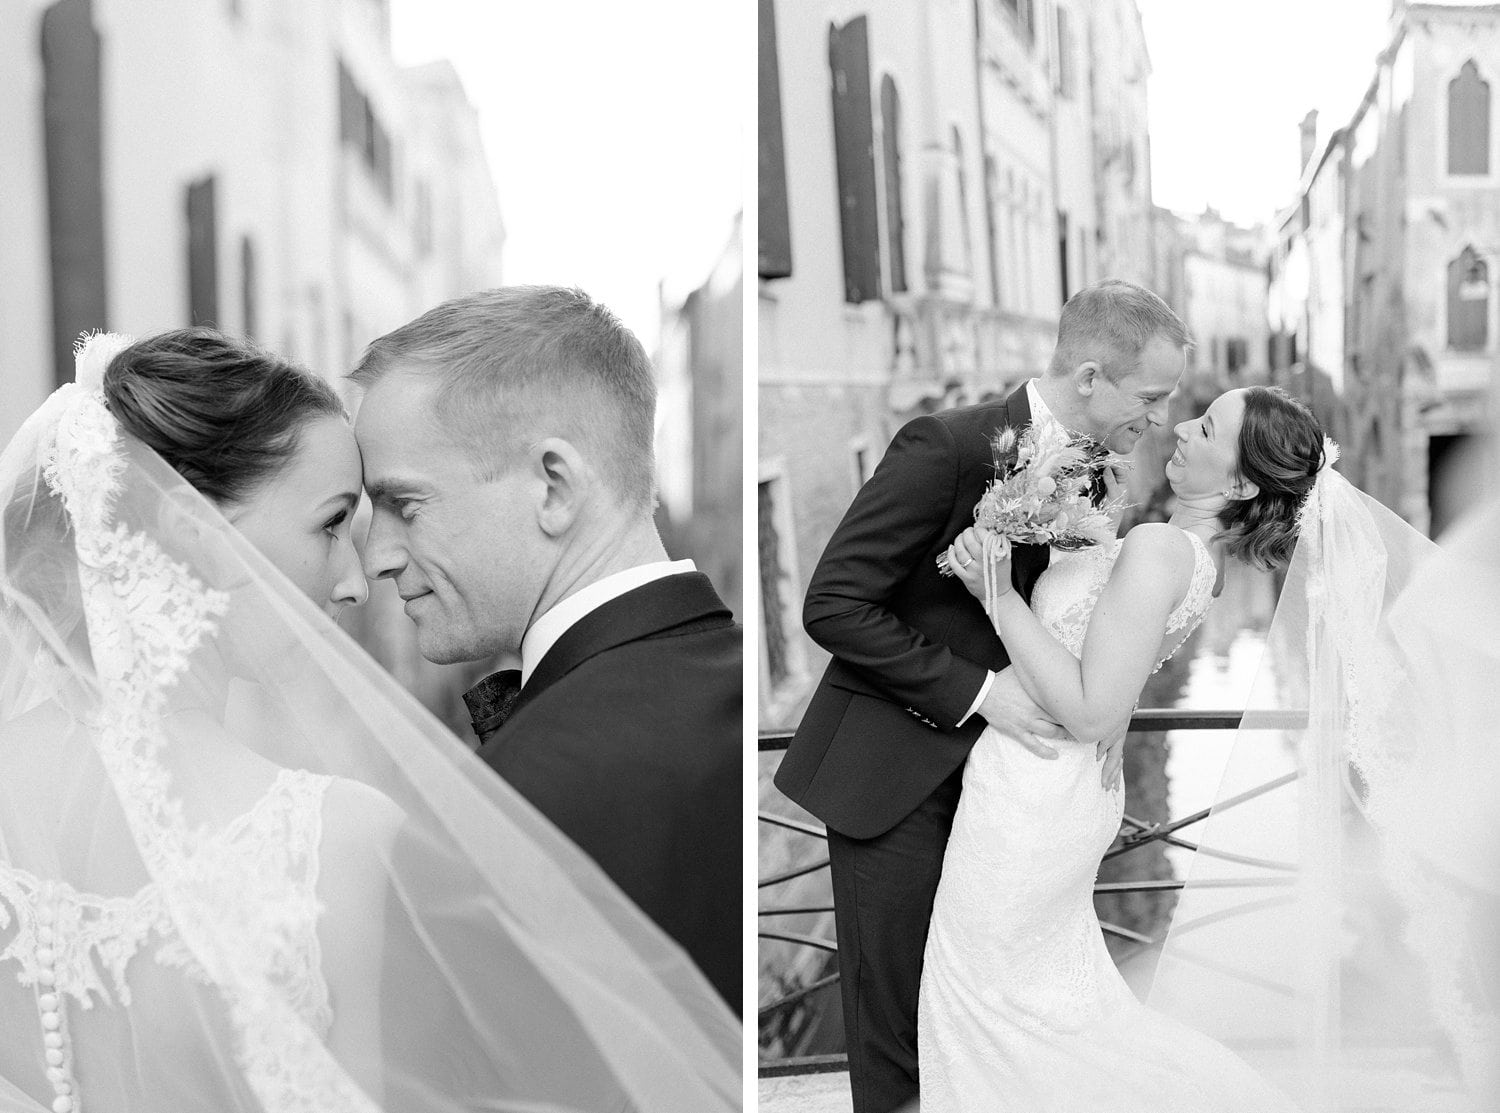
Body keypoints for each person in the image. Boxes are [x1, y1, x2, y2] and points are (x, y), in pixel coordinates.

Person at [0, 329, 739, 1112]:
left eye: (400, 507)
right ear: (196, 537)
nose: (362, 578)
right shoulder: (337, 840)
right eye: (333, 524)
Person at [929, 384, 1498, 1111]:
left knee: (991, 1004)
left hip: (1035, 796)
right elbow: (1115, 669)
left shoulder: (1160, 547)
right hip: (1048, 790)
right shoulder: (1195, 557)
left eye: (1207, 426)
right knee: (1038, 1010)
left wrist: (999, 593)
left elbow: (1089, 709)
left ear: (1236, 480)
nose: (1183, 427)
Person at [774, 278, 1190, 1113]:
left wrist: (1104, 709)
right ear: (1088, 378)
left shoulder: (1104, 479)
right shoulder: (947, 446)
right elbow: (833, 602)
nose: (1162, 417)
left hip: (1005, 801)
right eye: (1151, 396)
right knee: (894, 1037)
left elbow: (1081, 626)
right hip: (891, 781)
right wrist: (979, 693)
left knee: (971, 1020)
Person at [348, 286, 741, 1011]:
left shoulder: (498, 814)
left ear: (554, 486)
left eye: (404, 505)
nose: (375, 558)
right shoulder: (736, 677)